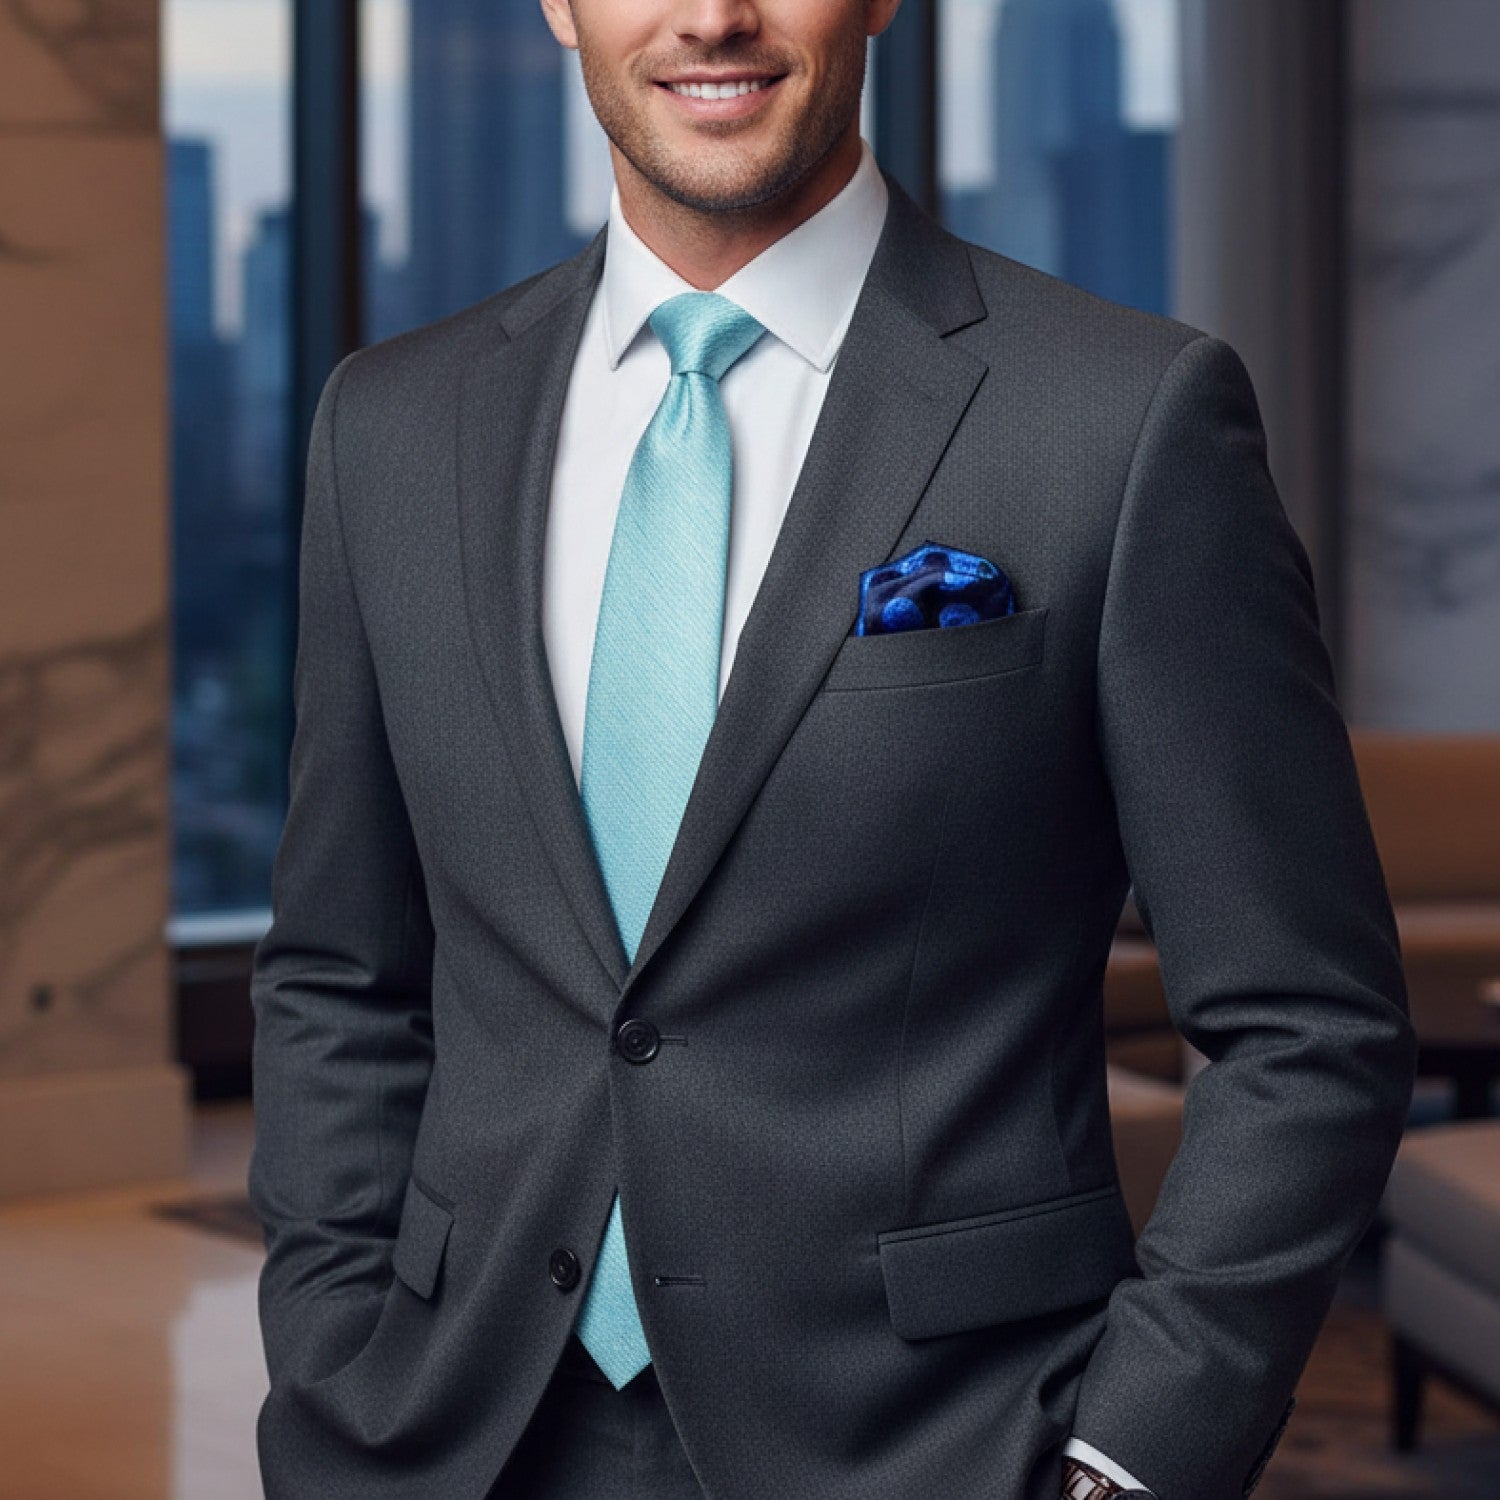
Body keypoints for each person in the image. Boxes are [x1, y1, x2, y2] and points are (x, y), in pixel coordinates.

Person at [246, 0, 1418, 1496]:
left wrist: (1131, 1460)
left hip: (937, 1443)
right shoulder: (393, 427)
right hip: (453, 1430)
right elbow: (340, 973)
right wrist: (333, 1354)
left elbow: (1310, 1027)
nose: (713, 16)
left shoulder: (1125, 418)